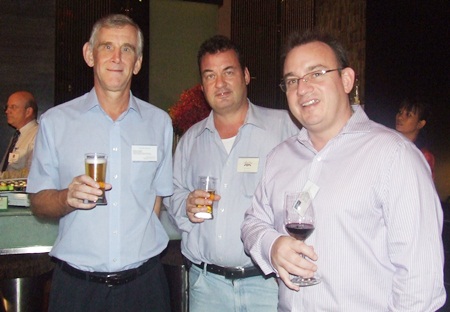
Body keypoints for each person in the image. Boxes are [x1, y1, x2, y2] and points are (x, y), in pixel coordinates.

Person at [241, 30, 446, 311]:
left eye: (316, 74)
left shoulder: (394, 157)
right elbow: (253, 222)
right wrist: (271, 245)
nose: (302, 88)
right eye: (292, 80)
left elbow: (419, 283)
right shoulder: (279, 157)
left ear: (347, 80)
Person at [27, 14, 173, 312]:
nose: (117, 58)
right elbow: (39, 202)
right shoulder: (56, 122)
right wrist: (66, 198)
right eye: (107, 47)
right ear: (89, 54)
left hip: (145, 288)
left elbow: (156, 199)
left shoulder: (159, 123)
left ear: (138, 62)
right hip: (77, 289)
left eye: (127, 49)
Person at [166, 35, 299, 312]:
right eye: (210, 75)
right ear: (202, 86)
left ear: (246, 75)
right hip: (207, 286)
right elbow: (173, 196)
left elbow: (312, 187)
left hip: (267, 284)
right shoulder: (191, 140)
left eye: (228, 72)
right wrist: (186, 203)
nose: (220, 83)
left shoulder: (284, 128)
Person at [1, 91, 38, 179]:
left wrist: (2, 176)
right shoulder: (17, 135)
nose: (7, 111)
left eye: (13, 107)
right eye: (7, 107)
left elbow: (32, 173)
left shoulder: (38, 135)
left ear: (28, 112)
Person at [396, 97, 435, 178]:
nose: (400, 117)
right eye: (400, 112)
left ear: (420, 124)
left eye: (408, 115)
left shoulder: (424, 156)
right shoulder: (388, 142)